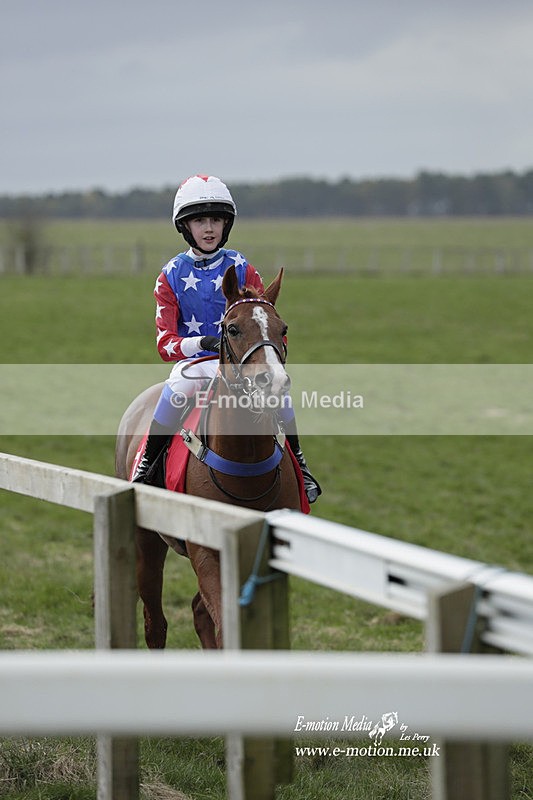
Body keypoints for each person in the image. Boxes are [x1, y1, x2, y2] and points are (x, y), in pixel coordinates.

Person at [132, 174, 321, 503]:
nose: (209, 228)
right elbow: (165, 345)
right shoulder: (170, 275)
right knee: (176, 390)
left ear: (226, 224)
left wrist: (271, 359)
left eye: (216, 220)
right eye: (200, 220)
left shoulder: (242, 266)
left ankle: (300, 466)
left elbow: (264, 319)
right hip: (196, 364)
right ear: (185, 227)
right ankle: (147, 465)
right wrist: (202, 344)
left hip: (241, 364)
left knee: (281, 394)